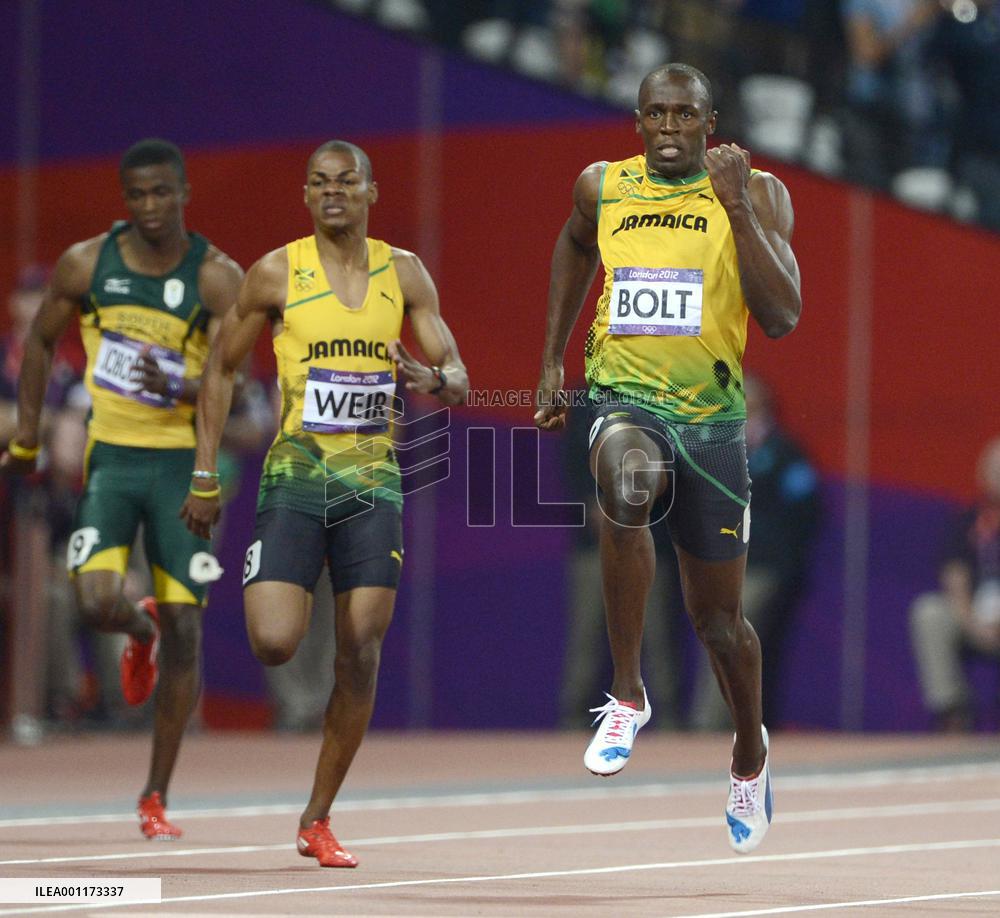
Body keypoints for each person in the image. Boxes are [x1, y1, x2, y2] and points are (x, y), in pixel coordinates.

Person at [534, 63, 801, 854]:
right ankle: (627, 693)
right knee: (625, 481)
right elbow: (574, 244)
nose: (673, 127)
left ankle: (748, 755)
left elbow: (782, 315)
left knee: (720, 623)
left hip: (714, 425)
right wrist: (552, 357)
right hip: (625, 399)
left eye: (687, 114)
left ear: (712, 121)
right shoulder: (601, 186)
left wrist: (736, 208)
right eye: (658, 114)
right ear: (639, 121)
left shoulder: (758, 191)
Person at [180, 140, 468, 868]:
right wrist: (205, 474)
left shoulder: (404, 272)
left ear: (371, 191)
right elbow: (220, 370)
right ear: (306, 195)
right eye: (319, 183)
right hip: (297, 477)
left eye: (346, 182)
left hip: (373, 484)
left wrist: (438, 375)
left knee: (361, 650)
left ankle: (318, 815)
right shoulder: (276, 272)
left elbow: (453, 372)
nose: (332, 193)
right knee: (274, 641)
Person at [1, 139, 243, 837]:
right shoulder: (88, 263)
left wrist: (201, 463)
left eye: (162, 193)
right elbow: (41, 342)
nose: (149, 208)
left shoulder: (216, 277)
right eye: (136, 196)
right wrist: (27, 435)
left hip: (176, 469)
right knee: (96, 601)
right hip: (111, 463)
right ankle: (139, 632)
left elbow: (227, 382)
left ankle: (155, 796)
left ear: (184, 192)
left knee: (189, 629)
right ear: (124, 199)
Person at [690, 372, 820, 730]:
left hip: (764, 567)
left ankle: (713, 725)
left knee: (729, 631)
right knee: (719, 633)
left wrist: (770, 547)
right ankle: (725, 724)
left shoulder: (785, 454)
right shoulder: (716, 446)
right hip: (719, 563)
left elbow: (805, 512)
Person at [910, 436, 1000, 731]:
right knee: (930, 612)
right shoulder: (969, 520)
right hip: (976, 615)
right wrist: (971, 622)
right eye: (994, 469)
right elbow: (954, 576)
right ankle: (952, 710)